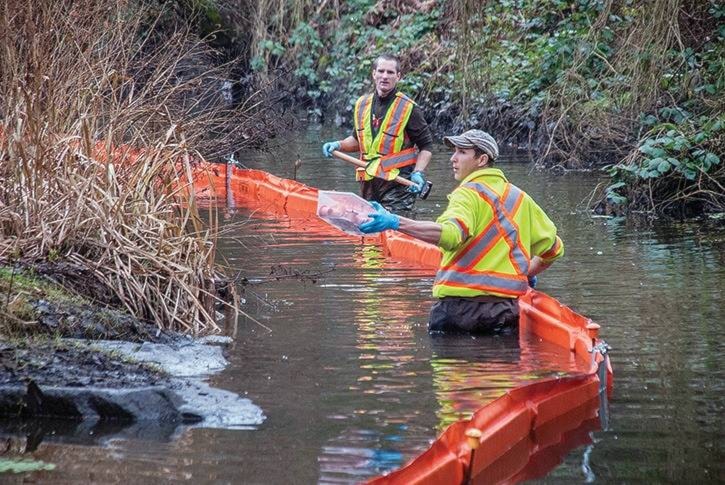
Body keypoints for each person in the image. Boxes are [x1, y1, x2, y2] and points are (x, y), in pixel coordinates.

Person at [357, 129, 565, 334]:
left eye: (461, 152)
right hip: (503, 313)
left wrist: (395, 222)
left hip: (458, 312)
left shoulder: (467, 194)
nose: (453, 159)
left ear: (482, 160)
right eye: (454, 151)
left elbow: (450, 235)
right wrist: (526, 271)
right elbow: (554, 249)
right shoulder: (520, 199)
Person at [321, 53, 433, 212]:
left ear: (398, 76)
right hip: (368, 183)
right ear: (374, 74)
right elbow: (357, 141)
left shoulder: (409, 108)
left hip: (398, 184)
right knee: (369, 231)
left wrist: (418, 172)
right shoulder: (361, 104)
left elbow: (426, 146)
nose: (385, 76)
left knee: (395, 230)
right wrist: (338, 145)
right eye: (381, 71)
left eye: (390, 72)